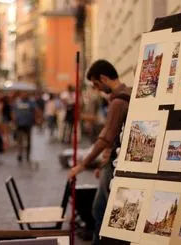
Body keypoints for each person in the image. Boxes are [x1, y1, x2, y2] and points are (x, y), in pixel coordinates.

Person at [68, 60, 131, 245]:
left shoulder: (118, 101)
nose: (97, 89)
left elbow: (106, 138)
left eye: (96, 84)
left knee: (100, 210)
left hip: (114, 162)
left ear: (104, 78)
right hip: (112, 161)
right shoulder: (127, 95)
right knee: (102, 209)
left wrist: (83, 164)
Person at [13, 91, 37, 163]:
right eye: (23, 94)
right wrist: (14, 120)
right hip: (19, 124)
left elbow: (35, 110)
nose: (24, 96)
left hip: (28, 124)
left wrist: (36, 119)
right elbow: (14, 112)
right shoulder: (17, 102)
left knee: (28, 140)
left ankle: (27, 155)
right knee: (20, 140)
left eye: (25, 94)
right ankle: (20, 154)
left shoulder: (30, 102)